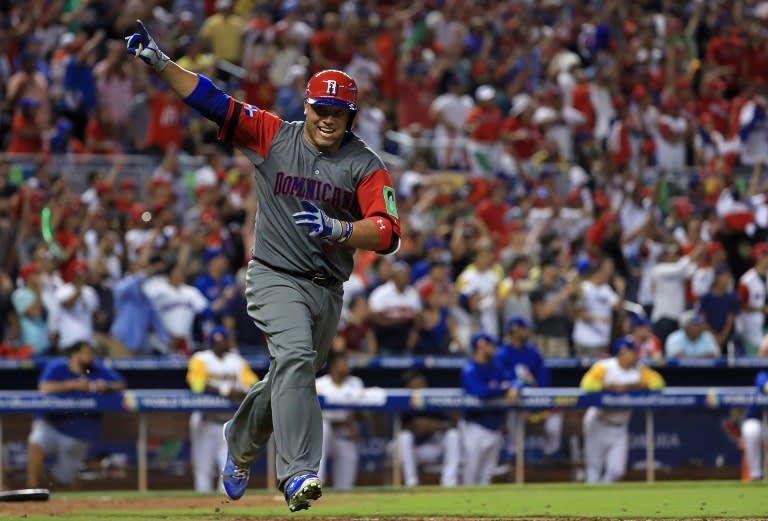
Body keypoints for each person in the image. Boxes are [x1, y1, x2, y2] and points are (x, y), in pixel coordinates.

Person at [126, 20, 400, 511]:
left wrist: (340, 230)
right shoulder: (276, 136)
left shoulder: (365, 163)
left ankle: (240, 439)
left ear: (351, 116)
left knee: (286, 379)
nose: (329, 118)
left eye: (340, 111)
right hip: (274, 274)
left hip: (327, 289)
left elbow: (387, 231)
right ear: (307, 105)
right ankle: (297, 475)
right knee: (296, 362)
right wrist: (163, 65)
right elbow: (214, 102)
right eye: (322, 108)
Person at [26, 340, 125, 488]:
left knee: (63, 481)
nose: (90, 356)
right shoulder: (58, 366)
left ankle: (55, 500)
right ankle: (31, 486)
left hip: (79, 434)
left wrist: (106, 385)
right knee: (37, 440)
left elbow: (120, 383)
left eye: (91, 353)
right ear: (74, 355)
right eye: (86, 353)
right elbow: (44, 387)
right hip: (52, 425)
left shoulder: (96, 369)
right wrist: (73, 385)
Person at [579, 337, 665, 484]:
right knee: (593, 471)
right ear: (622, 352)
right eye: (632, 352)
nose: (635, 355)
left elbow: (658, 383)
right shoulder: (604, 367)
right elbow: (587, 385)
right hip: (598, 422)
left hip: (620, 427)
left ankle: (602, 497)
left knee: (617, 471)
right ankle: (593, 503)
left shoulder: (639, 369)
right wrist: (609, 388)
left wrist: (628, 387)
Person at [186, 326, 258, 492]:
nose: (220, 344)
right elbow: (197, 385)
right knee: (203, 470)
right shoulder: (200, 359)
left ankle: (225, 512)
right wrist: (225, 391)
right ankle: (203, 514)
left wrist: (242, 391)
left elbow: (254, 383)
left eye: (223, 340)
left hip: (231, 424)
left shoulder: (237, 361)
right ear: (210, 343)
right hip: (206, 420)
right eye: (216, 341)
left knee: (229, 473)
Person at [494, 317, 563, 461]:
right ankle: (512, 451)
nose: (528, 332)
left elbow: (543, 380)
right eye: (524, 329)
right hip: (511, 402)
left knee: (556, 416)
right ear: (514, 330)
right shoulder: (502, 353)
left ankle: (550, 454)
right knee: (513, 408)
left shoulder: (533, 352)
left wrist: (536, 397)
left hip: (535, 400)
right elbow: (503, 379)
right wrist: (517, 386)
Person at [460, 332, 519, 485]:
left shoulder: (496, 366)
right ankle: (463, 508)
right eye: (491, 346)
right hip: (475, 427)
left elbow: (513, 379)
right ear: (481, 346)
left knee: (487, 477)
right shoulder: (470, 369)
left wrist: (513, 387)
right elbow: (481, 392)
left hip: (495, 427)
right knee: (471, 475)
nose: (494, 349)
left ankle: (483, 509)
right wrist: (503, 390)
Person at [396, 369, 461, 487]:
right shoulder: (401, 402)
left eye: (422, 385)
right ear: (407, 388)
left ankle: (449, 482)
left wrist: (433, 425)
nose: (420, 389)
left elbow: (450, 424)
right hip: (407, 451)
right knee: (404, 437)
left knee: (453, 435)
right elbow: (395, 430)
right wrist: (414, 426)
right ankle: (412, 483)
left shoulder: (432, 400)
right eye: (415, 386)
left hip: (430, 447)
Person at [315, 349, 365, 489]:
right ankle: (318, 480)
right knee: (324, 426)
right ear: (333, 367)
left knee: (346, 487)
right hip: (325, 438)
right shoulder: (319, 384)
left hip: (345, 435)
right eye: (343, 363)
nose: (347, 366)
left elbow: (361, 412)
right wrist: (341, 418)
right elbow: (312, 414)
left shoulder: (356, 383)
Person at [740, 370, 768, 481]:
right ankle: (756, 475)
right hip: (758, 420)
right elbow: (763, 385)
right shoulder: (763, 374)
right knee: (751, 429)